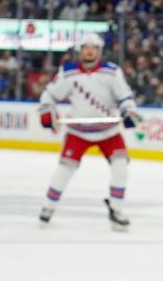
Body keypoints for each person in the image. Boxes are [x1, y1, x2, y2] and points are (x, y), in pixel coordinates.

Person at [37, 32, 139, 230]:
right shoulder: (68, 72)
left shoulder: (111, 72)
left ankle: (116, 209)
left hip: (108, 131)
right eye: (86, 47)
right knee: (64, 169)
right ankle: (48, 207)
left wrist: (128, 112)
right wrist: (47, 113)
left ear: (100, 51)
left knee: (121, 166)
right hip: (79, 132)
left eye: (94, 48)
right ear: (80, 50)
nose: (90, 51)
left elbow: (125, 97)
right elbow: (49, 96)